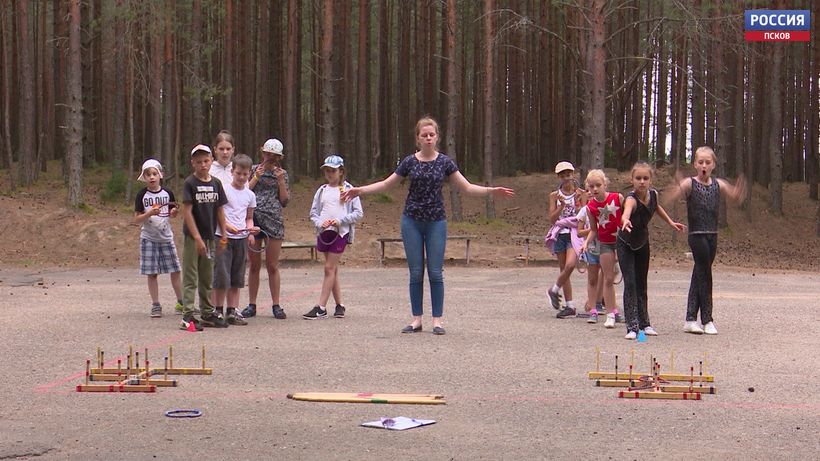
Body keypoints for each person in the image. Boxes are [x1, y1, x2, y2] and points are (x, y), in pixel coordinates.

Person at [341, 116, 514, 335]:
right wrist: (360, 190)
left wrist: (492, 191)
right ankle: (416, 320)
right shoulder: (409, 162)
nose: (428, 138)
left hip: (436, 222)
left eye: (432, 134)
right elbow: (387, 184)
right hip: (411, 221)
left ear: (437, 137)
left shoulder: (445, 162)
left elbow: (467, 188)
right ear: (418, 138)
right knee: (415, 272)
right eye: (424, 135)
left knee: (435, 272)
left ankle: (437, 320)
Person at [666, 146, 746, 335]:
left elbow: (734, 194)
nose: (703, 165)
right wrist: (675, 186)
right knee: (705, 274)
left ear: (713, 165)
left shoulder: (719, 184)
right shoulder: (689, 183)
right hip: (696, 235)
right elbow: (672, 196)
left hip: (712, 235)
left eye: (707, 162)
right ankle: (707, 319)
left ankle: (690, 319)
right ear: (695, 164)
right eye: (700, 162)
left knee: (699, 273)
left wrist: (739, 191)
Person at [617, 161, 686, 340]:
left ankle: (645, 324)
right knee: (630, 283)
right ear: (632, 180)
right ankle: (632, 327)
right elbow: (627, 210)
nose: (642, 181)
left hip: (642, 243)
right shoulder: (631, 198)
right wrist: (625, 220)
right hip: (625, 244)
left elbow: (656, 208)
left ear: (650, 180)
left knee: (642, 284)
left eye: (645, 178)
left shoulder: (653, 195)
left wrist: (671, 222)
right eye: (638, 178)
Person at [180, 144, 237, 331]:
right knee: (191, 275)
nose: (203, 165)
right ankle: (187, 315)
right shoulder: (190, 183)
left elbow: (220, 209)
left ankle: (207, 312)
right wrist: (196, 238)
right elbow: (186, 212)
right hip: (193, 238)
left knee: (206, 276)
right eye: (198, 162)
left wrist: (224, 234)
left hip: (211, 237)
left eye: (206, 161)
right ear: (193, 163)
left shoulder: (216, 183)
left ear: (211, 160)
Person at [303, 155, 364, 320]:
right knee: (333, 270)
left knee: (329, 268)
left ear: (341, 171)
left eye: (333, 170)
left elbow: (358, 213)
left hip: (340, 233)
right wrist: (320, 223)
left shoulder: (349, 189)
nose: (330, 174)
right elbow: (313, 213)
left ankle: (321, 307)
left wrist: (340, 221)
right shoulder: (321, 190)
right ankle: (339, 305)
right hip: (324, 233)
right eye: (327, 171)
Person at [242, 138, 290, 320]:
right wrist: (256, 177)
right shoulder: (254, 170)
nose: (269, 158)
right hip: (253, 219)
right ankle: (251, 304)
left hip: (274, 220)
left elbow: (285, 201)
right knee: (254, 264)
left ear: (279, 158)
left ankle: (276, 305)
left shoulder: (282, 174)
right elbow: (244, 192)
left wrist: (280, 181)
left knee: (272, 265)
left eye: (273, 156)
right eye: (267, 154)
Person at [212, 154, 259, 326]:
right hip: (223, 237)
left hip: (241, 239)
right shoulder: (223, 189)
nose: (241, 177)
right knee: (221, 275)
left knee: (237, 276)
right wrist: (226, 226)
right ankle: (217, 310)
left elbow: (249, 217)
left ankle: (232, 310)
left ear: (249, 174)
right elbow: (218, 213)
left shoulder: (250, 195)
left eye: (245, 174)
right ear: (232, 171)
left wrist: (251, 231)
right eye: (238, 173)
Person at [133, 159, 183, 318]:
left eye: (154, 174)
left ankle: (181, 302)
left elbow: (171, 212)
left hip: (166, 237)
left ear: (160, 175)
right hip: (148, 238)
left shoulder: (167, 193)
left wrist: (174, 213)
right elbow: (136, 219)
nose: (152, 177)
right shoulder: (142, 195)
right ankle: (155, 304)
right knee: (152, 273)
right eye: (148, 175)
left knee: (175, 270)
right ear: (144, 177)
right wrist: (149, 214)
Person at [580, 169, 623, 329]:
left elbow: (627, 215)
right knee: (608, 277)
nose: (595, 189)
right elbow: (593, 229)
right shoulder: (590, 207)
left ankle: (621, 311)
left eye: (598, 185)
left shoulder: (617, 198)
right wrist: (585, 243)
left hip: (621, 241)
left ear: (605, 184)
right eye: (591, 186)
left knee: (624, 276)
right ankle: (611, 312)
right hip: (605, 243)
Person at [545, 161, 586, 317]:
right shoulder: (554, 195)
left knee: (570, 265)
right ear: (559, 177)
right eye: (563, 175)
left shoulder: (580, 193)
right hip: (560, 233)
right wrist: (561, 206)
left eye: (568, 174)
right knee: (564, 270)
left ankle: (554, 289)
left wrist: (577, 203)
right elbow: (552, 218)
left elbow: (583, 213)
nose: (566, 178)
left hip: (574, 232)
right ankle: (570, 306)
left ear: (573, 174)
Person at [576, 201, 604, 324]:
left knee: (608, 277)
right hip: (591, 249)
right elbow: (579, 232)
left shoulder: (609, 206)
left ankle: (611, 310)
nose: (593, 192)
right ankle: (593, 310)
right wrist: (593, 229)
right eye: (589, 189)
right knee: (592, 279)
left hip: (606, 247)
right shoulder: (584, 210)